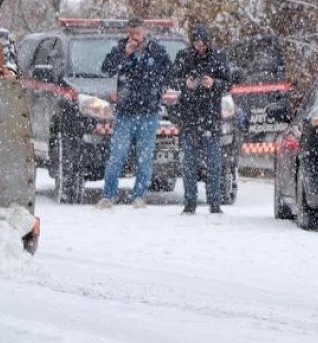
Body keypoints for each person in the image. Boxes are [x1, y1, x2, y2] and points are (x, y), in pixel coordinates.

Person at [98, 16, 173, 209]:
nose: (134, 38)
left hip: (149, 112)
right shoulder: (121, 48)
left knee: (145, 156)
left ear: (145, 32)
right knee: (117, 155)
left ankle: (139, 195)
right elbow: (106, 69)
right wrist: (124, 53)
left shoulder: (156, 51)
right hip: (125, 112)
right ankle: (109, 194)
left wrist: (158, 89)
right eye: (131, 34)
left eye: (137, 34)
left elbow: (170, 74)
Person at [172, 24, 232, 214]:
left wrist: (213, 83)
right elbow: (172, 79)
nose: (199, 46)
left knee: (214, 164)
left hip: (210, 117)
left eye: (202, 43)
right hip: (189, 116)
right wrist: (185, 83)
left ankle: (214, 203)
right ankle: (190, 203)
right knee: (189, 163)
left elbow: (228, 83)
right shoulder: (184, 57)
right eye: (196, 42)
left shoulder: (218, 58)